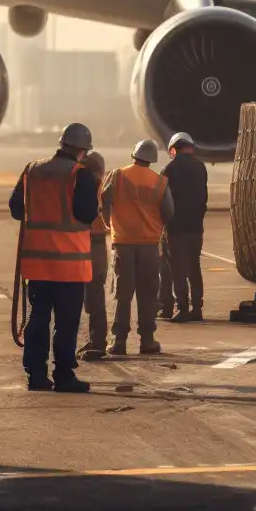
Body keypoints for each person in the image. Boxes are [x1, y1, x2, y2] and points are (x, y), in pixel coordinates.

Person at [9, 123, 98, 393]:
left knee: (38, 319)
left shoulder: (32, 169)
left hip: (37, 264)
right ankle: (63, 375)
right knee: (66, 323)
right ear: (82, 150)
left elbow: (16, 208)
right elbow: (86, 214)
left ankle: (36, 375)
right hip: (69, 267)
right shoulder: (79, 175)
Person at [101, 139, 174, 355]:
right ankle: (147, 340)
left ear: (134, 155)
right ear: (152, 159)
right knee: (148, 294)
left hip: (124, 244)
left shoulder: (118, 176)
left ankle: (119, 342)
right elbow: (169, 212)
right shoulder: (160, 182)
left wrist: (109, 223)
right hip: (149, 246)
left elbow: (104, 202)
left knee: (123, 295)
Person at [161, 131, 207, 322]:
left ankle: (183, 308)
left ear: (174, 149)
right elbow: (203, 197)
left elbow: (163, 199)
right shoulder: (200, 167)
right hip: (196, 226)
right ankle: (197, 308)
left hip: (176, 228)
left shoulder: (169, 169)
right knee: (194, 267)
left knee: (178, 270)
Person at [77, 150, 110, 361]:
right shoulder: (106, 188)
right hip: (98, 245)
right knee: (95, 295)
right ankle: (97, 340)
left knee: (89, 298)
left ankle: (97, 341)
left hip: (86, 244)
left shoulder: (82, 187)